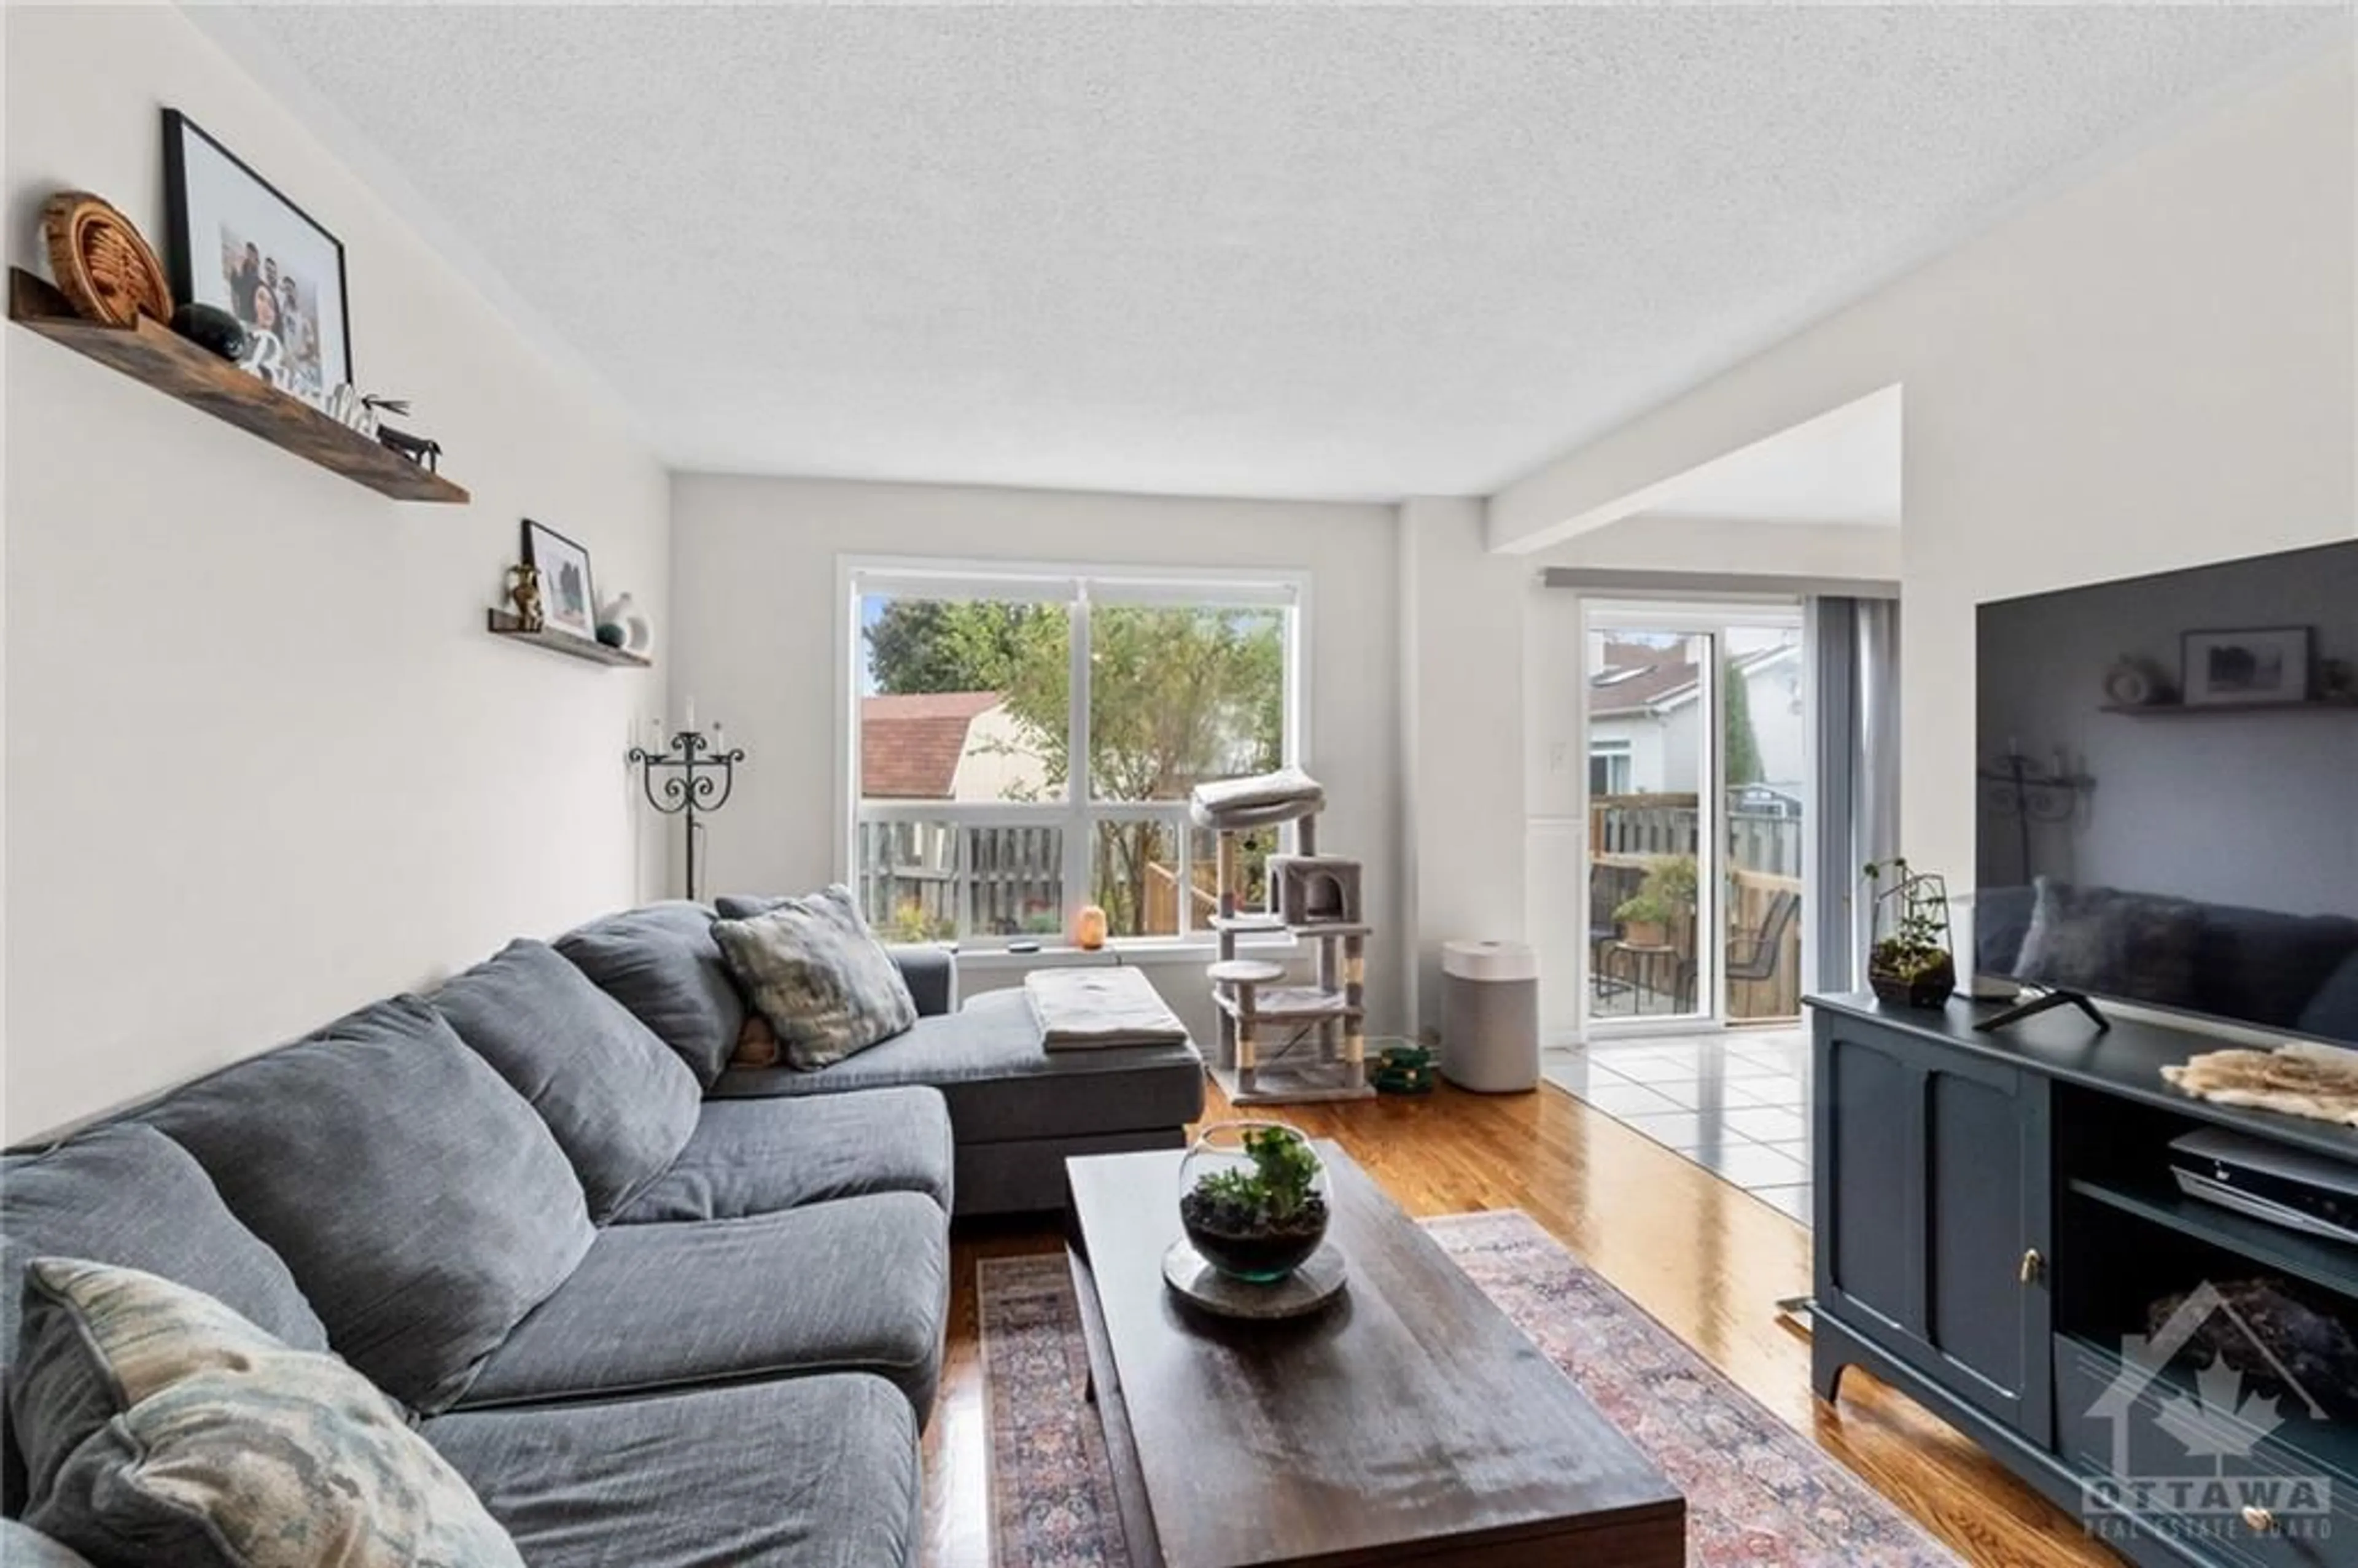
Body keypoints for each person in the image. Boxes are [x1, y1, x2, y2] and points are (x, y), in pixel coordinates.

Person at [229, 241, 261, 324]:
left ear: (256, 254)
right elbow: (236, 287)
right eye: (248, 253)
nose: (249, 255)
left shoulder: (260, 272)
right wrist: (236, 272)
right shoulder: (244, 267)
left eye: (251, 253)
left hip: (255, 313)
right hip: (243, 309)